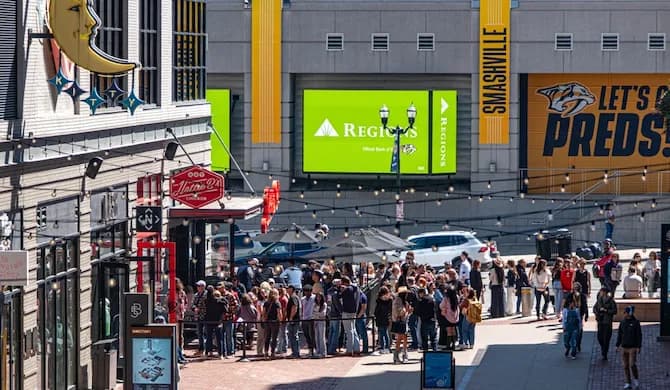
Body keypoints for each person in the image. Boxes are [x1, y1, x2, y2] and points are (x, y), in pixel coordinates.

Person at [616, 306, 642, 389]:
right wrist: (617, 345)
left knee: (632, 364)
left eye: (627, 313)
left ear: (630, 313)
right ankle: (628, 382)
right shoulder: (622, 322)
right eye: (625, 313)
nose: (625, 314)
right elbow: (620, 334)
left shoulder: (636, 323)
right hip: (624, 347)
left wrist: (638, 346)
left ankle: (636, 379)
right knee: (625, 366)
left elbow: (639, 335)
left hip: (632, 347)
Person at [593, 287, 617, 360]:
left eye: (601, 292)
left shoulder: (611, 301)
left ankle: (604, 353)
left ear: (605, 292)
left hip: (607, 322)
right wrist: (597, 312)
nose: (600, 293)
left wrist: (606, 310)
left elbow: (614, 311)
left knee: (606, 338)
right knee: (600, 337)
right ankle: (603, 348)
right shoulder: (599, 300)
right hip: (600, 321)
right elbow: (595, 308)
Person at [340, 276, 361, 354]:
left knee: (348, 331)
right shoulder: (356, 288)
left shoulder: (347, 289)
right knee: (353, 330)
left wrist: (341, 290)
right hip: (354, 311)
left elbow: (340, 297)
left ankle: (349, 349)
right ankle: (357, 348)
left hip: (347, 311)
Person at [392, 286, 411, 364]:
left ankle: (403, 354)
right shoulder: (398, 301)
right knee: (400, 338)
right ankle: (398, 355)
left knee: (404, 338)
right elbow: (400, 313)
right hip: (400, 321)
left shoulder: (403, 301)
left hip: (403, 321)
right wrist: (407, 311)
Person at [262, 289, 283, 359]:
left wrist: (264, 320)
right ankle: (272, 352)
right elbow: (279, 313)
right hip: (275, 322)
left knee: (267, 337)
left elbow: (263, 313)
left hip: (267, 322)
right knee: (274, 338)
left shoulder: (266, 303)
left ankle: (265, 352)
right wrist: (280, 321)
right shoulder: (277, 303)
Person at [373, 286, 393, 355]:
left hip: (380, 318)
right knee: (385, 333)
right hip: (386, 318)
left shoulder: (379, 301)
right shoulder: (390, 300)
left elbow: (377, 311)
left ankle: (383, 347)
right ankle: (387, 347)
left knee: (382, 333)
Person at [415, 287, 437, 352]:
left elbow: (418, 311)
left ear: (422, 293)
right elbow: (436, 309)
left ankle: (426, 353)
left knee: (425, 338)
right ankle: (435, 351)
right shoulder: (432, 299)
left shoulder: (421, 301)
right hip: (432, 320)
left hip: (424, 321)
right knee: (433, 338)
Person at [191, 280, 208, 357]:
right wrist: (194, 308)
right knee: (199, 333)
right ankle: (201, 349)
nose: (198, 287)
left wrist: (200, 308)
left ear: (203, 287)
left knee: (207, 333)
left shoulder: (207, 294)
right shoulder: (196, 295)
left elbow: (208, 305)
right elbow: (192, 304)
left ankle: (207, 349)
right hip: (198, 316)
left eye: (200, 286)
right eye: (197, 286)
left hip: (206, 316)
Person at [326, 279, 343, 355]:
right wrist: (341, 311)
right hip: (336, 314)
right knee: (336, 332)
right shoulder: (335, 293)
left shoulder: (329, 292)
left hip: (330, 314)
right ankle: (332, 349)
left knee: (331, 332)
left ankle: (329, 347)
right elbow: (337, 304)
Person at [285, 285, 301, 358]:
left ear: (291, 289)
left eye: (288, 288)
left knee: (294, 336)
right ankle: (294, 352)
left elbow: (294, 307)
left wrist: (291, 317)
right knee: (292, 336)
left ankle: (296, 353)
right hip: (294, 319)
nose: (287, 289)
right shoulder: (293, 297)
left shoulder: (293, 297)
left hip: (294, 320)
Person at [174, 278, 188, 364]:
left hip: (180, 316)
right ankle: (177, 354)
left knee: (180, 335)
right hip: (173, 317)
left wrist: (184, 309)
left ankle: (180, 351)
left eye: (177, 283)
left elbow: (186, 302)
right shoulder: (171, 292)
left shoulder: (182, 293)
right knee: (175, 336)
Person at [300, 284, 316, 358]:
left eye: (308, 291)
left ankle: (314, 349)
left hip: (311, 318)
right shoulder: (303, 299)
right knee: (306, 335)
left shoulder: (314, 298)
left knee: (312, 335)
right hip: (304, 319)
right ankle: (310, 349)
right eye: (305, 291)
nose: (306, 293)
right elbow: (302, 308)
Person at [312, 292, 328, 358]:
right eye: (317, 297)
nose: (318, 298)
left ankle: (323, 352)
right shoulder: (314, 304)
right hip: (316, 321)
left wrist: (317, 314)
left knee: (322, 337)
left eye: (320, 297)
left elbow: (323, 314)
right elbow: (312, 313)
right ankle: (318, 351)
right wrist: (317, 314)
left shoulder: (324, 304)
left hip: (322, 322)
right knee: (316, 336)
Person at [355, 288, 369, 354]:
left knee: (363, 334)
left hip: (361, 317)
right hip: (356, 316)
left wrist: (359, 316)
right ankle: (357, 348)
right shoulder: (356, 296)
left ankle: (365, 349)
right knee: (357, 333)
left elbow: (363, 308)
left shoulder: (363, 297)